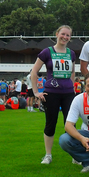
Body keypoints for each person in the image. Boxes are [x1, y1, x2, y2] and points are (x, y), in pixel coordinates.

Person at [31, 25, 76, 164]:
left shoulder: (71, 53)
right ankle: (48, 155)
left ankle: (75, 155)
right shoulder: (47, 52)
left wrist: (72, 88)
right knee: (51, 124)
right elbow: (33, 73)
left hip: (68, 94)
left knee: (70, 124)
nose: (65, 37)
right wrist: (36, 92)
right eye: (63, 34)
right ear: (57, 34)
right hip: (51, 93)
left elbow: (73, 73)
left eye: (68, 35)